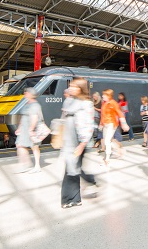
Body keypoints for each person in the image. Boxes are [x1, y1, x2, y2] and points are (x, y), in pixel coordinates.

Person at [60, 78, 96, 208]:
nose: (71, 88)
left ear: (81, 88)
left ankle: (70, 199)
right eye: (70, 86)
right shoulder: (70, 101)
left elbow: (88, 124)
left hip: (78, 141)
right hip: (69, 140)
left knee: (71, 169)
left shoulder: (86, 103)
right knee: (72, 169)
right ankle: (73, 198)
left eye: (74, 86)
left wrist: (82, 144)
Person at [14, 88, 43, 173]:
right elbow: (23, 117)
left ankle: (37, 166)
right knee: (19, 145)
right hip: (24, 128)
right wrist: (19, 128)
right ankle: (26, 163)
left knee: (34, 147)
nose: (25, 93)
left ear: (31, 94)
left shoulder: (35, 105)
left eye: (26, 92)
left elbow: (35, 118)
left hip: (32, 128)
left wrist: (31, 129)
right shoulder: (27, 103)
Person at [99, 89, 129, 165]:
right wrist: (101, 124)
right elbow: (102, 114)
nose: (102, 96)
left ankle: (107, 158)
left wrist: (124, 124)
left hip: (112, 124)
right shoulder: (104, 103)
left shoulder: (113, 103)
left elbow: (120, 114)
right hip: (105, 124)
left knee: (107, 141)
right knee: (108, 140)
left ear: (108, 95)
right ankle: (120, 150)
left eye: (104, 95)